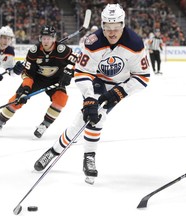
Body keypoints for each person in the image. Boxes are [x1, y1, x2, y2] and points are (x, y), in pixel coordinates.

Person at [33, 4, 150, 184]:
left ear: (123, 25)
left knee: (93, 117)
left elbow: (142, 77)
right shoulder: (93, 41)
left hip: (118, 85)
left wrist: (120, 91)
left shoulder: (134, 43)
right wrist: (89, 97)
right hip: (96, 81)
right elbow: (82, 72)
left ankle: (56, 151)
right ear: (102, 25)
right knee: (93, 116)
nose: (112, 33)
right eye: (108, 28)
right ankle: (86, 156)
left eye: (116, 28)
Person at [0, 25, 78, 138]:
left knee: (61, 99)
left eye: (48, 38)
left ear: (54, 39)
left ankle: (44, 125)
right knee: (17, 99)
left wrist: (69, 73)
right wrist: (25, 89)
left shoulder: (63, 50)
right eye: (44, 38)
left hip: (56, 80)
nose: (46, 41)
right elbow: (28, 74)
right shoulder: (33, 51)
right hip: (37, 79)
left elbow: (77, 63)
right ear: (40, 38)